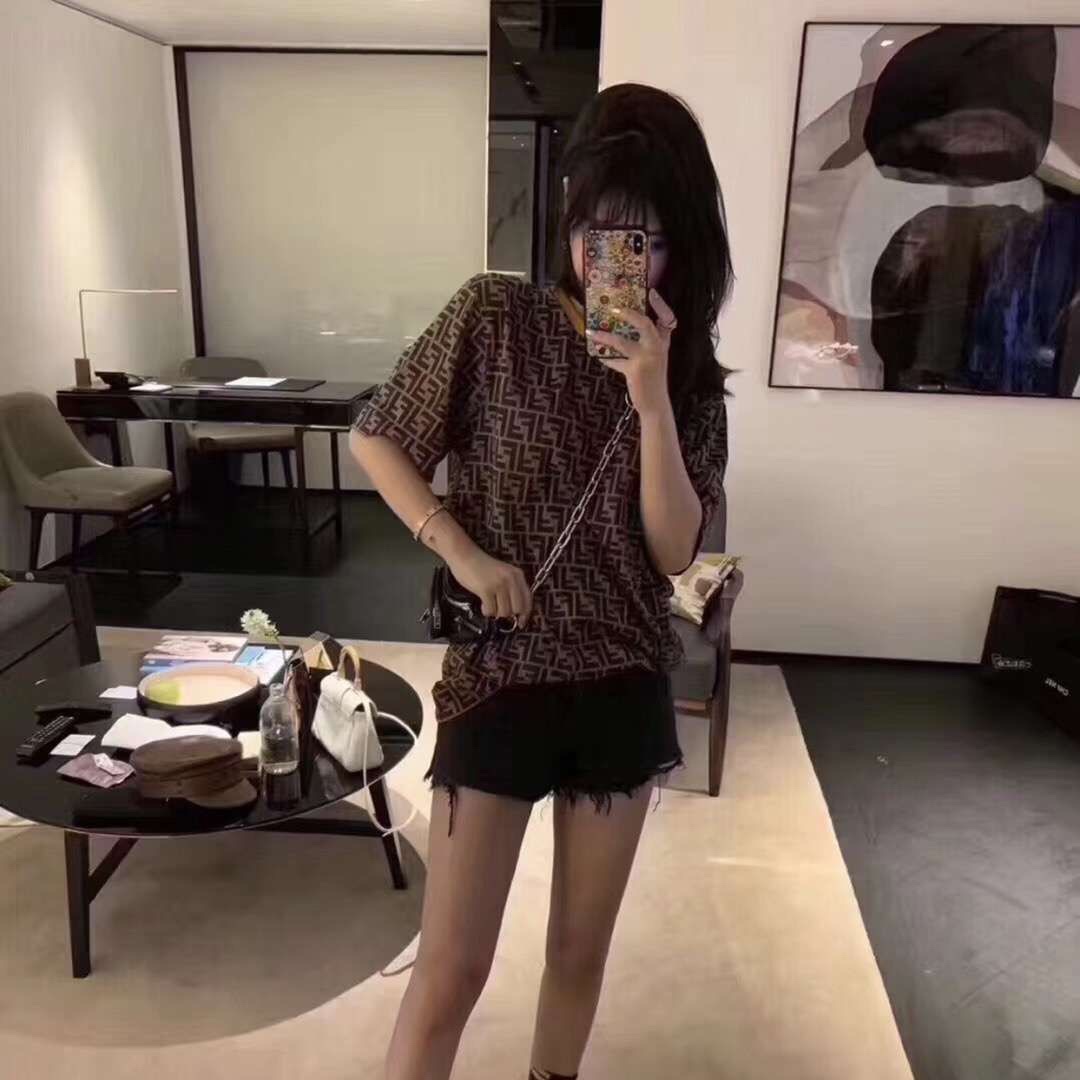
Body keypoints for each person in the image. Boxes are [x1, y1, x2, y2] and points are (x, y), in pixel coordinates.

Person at [350, 81, 734, 1080]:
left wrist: (652, 399)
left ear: (682, 245)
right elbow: (377, 437)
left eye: (642, 240)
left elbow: (674, 553)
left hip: (621, 679)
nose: (612, 262)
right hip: (502, 676)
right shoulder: (495, 318)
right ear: (569, 223)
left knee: (576, 957)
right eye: (595, 232)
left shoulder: (689, 379)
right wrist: (463, 553)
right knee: (451, 971)